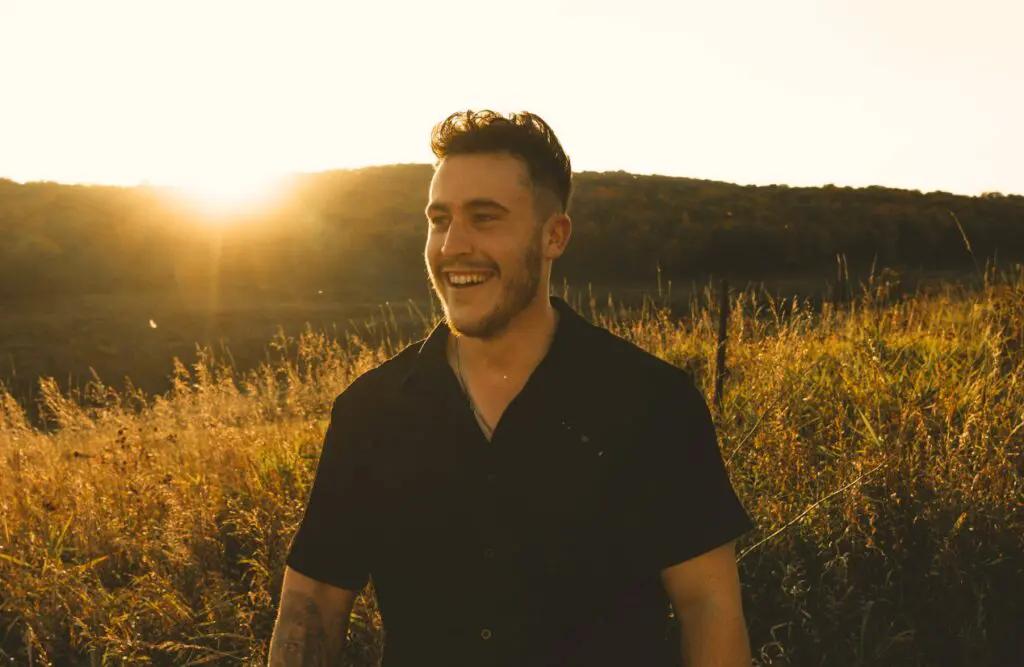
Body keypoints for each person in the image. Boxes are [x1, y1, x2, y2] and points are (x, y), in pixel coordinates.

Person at [268, 110, 754, 667]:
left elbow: (708, 606)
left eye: (485, 218)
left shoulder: (651, 403)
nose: (453, 245)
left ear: (554, 236)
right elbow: (313, 606)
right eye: (439, 219)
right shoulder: (371, 412)